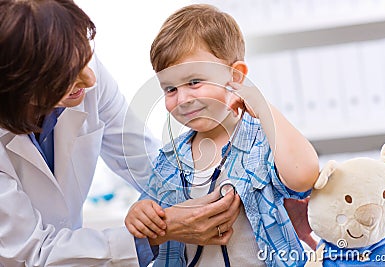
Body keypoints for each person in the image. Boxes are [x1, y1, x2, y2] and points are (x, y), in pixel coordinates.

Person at [0, 0, 242, 266]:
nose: (90, 79)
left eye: (85, 55)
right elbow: (32, 254)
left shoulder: (81, 71)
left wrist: (194, 193)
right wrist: (153, 232)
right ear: (19, 87)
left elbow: (146, 162)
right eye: (65, 78)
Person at [125, 4, 320, 267]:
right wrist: (139, 214)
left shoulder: (263, 141)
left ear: (236, 76)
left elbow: (303, 175)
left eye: (194, 82)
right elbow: (150, 212)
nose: (182, 99)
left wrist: (263, 108)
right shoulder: (170, 159)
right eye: (170, 89)